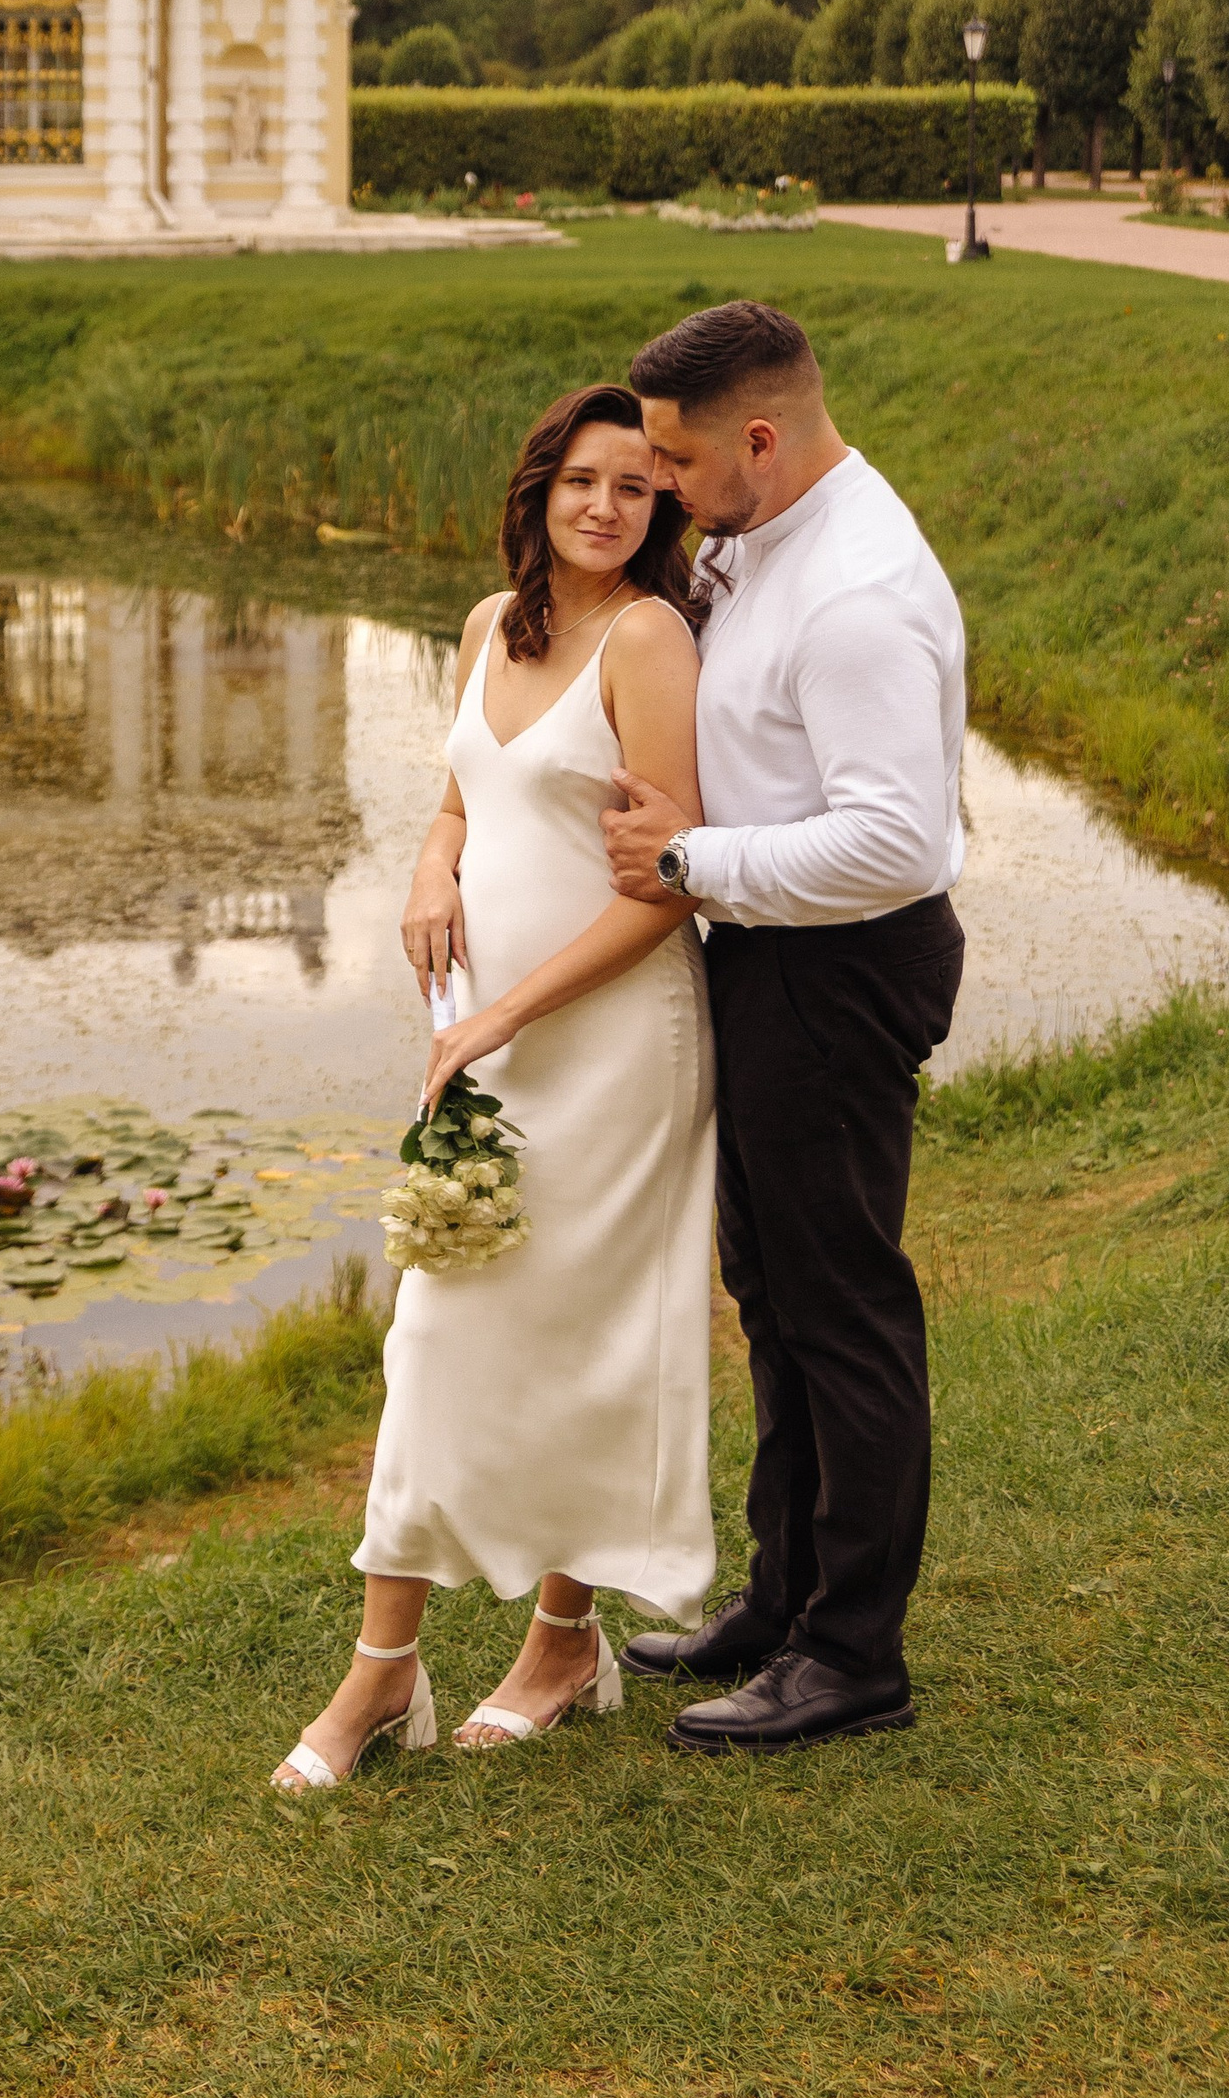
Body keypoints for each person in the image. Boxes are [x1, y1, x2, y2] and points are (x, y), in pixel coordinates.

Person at [272, 386, 718, 1791]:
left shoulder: (648, 640)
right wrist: (424, 872)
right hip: (488, 1036)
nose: (605, 506)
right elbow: (469, 798)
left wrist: (506, 1017)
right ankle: (384, 1673)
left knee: (585, 1340)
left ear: (659, 511)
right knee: (438, 1336)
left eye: (636, 489)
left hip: (609, 1044)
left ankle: (562, 1640)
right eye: (582, 480)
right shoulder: (486, 626)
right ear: (537, 492)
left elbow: (668, 884)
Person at [603, 298, 966, 1754]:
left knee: (843, 1308)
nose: (664, 494)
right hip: (775, 959)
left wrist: (692, 864)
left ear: (761, 436)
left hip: (842, 967)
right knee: (773, 1292)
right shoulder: (765, 535)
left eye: (680, 465)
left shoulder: (859, 592)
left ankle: (853, 1657)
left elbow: (895, 841)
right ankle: (782, 1599)